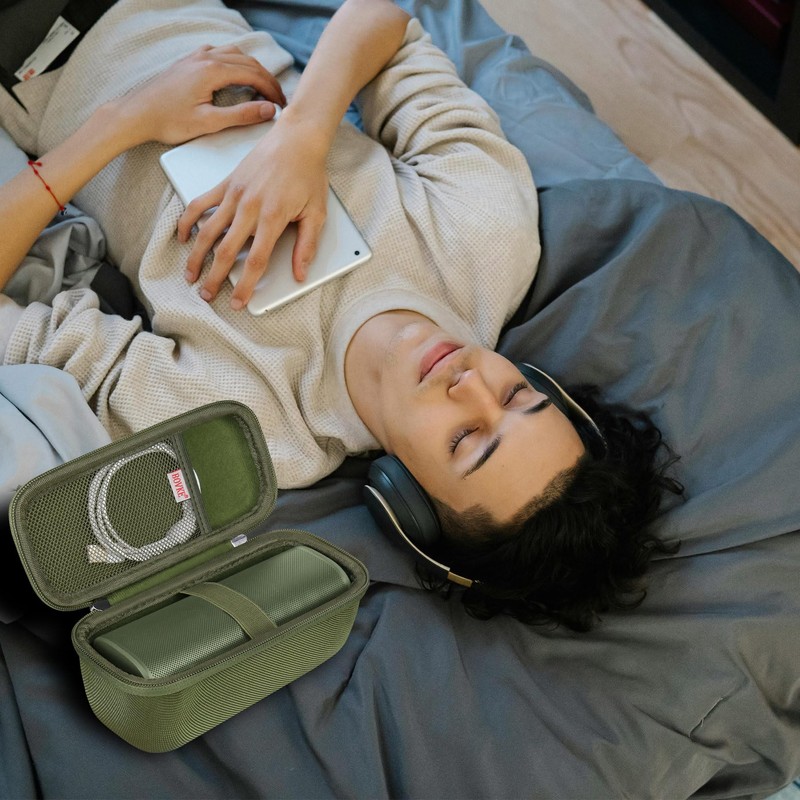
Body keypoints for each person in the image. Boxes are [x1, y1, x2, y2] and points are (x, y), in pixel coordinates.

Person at [0, 0, 680, 631]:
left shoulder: (246, 426)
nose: (470, 382)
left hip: (31, 58)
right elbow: (384, 20)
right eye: (517, 395)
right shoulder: (488, 242)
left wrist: (124, 122)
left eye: (465, 439)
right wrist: (302, 134)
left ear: (405, 497)